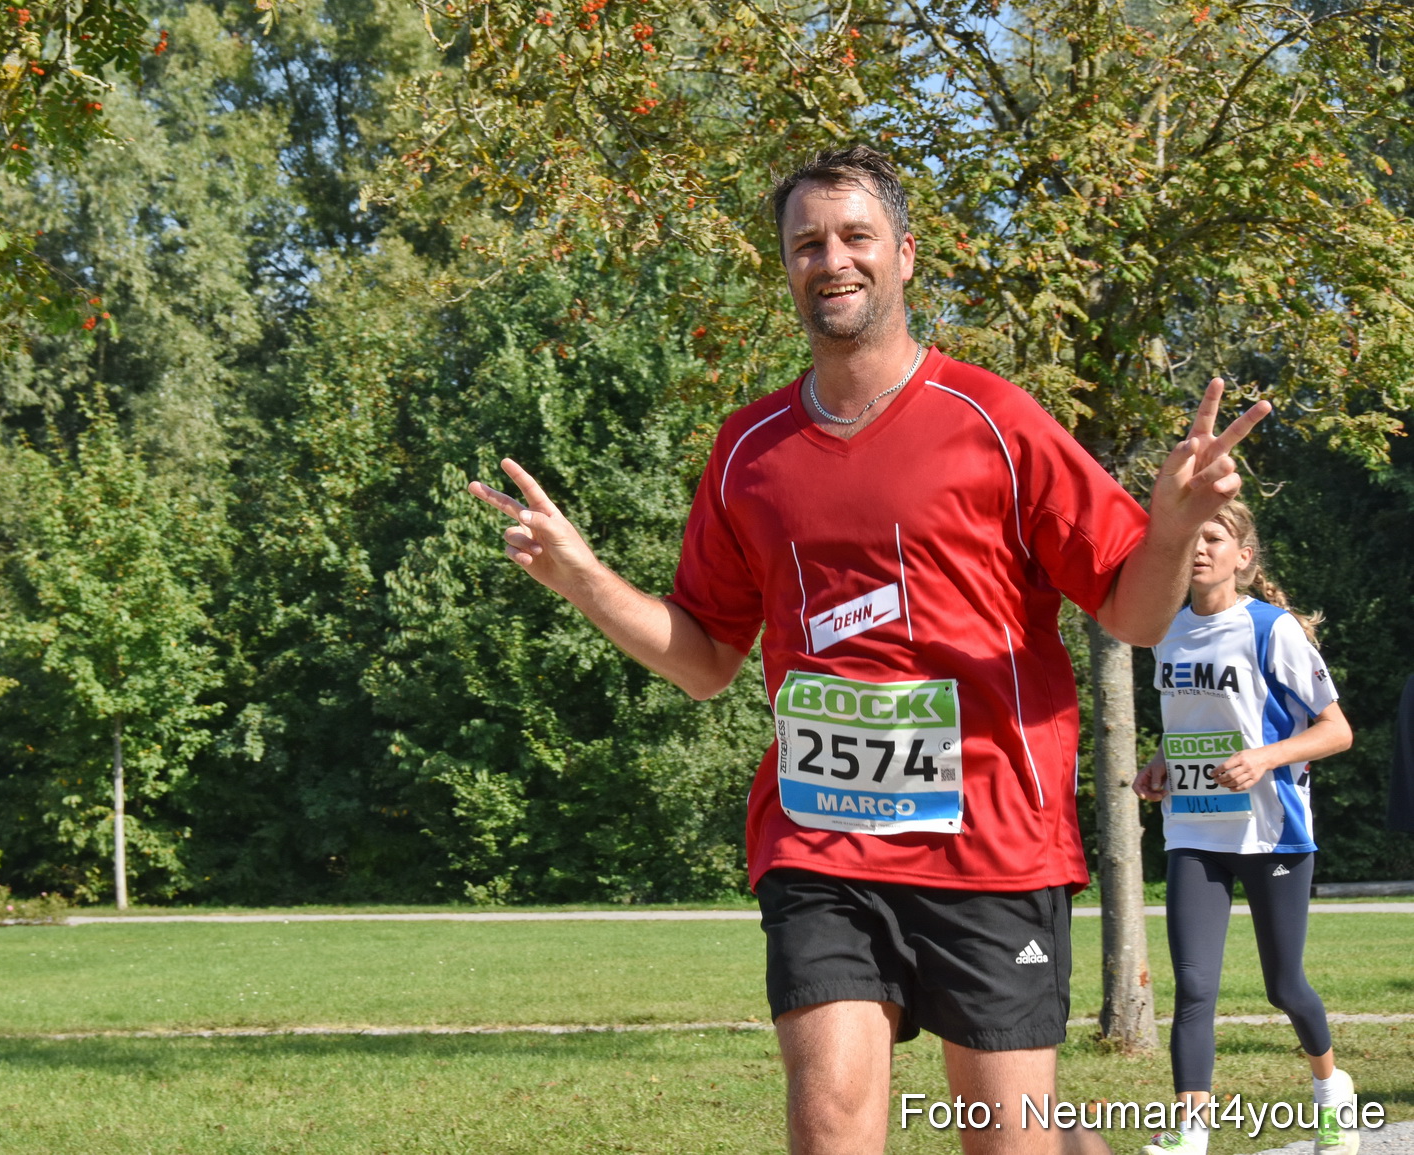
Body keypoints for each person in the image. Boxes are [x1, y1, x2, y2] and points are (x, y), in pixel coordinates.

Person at [468, 145, 1270, 1155]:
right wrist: (584, 578)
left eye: (854, 238)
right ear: (786, 267)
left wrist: (1168, 526)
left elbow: (1135, 615)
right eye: (807, 243)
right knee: (830, 1121)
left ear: (904, 255)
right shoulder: (746, 451)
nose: (831, 261)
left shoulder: (997, 422)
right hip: (820, 838)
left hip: (990, 842)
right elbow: (707, 658)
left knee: (1010, 1139)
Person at [1132, 501, 1356, 1154]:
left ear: (1244, 556)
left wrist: (1265, 756)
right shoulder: (1164, 631)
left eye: (1215, 536)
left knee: (1284, 985)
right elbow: (1188, 726)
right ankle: (1190, 1132)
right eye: (1191, 537)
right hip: (1195, 830)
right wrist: (1159, 764)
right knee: (1195, 985)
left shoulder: (1272, 628)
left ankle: (1330, 1088)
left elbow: (1336, 729)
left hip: (1273, 834)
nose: (1199, 548)